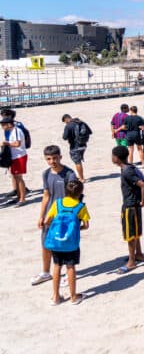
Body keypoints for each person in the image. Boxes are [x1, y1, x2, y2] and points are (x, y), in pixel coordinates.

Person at [31, 146, 78, 286]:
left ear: (60, 157)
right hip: (49, 216)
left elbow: (74, 197)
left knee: (64, 245)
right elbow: (46, 196)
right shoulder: (46, 174)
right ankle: (46, 272)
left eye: (55, 158)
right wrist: (41, 216)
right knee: (46, 244)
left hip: (65, 217)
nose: (52, 161)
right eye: (49, 159)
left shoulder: (69, 174)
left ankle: (65, 273)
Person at [44, 179, 89, 306]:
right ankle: (73, 296)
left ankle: (55, 296)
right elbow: (86, 225)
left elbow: (47, 221)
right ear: (80, 193)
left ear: (65, 191)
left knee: (57, 266)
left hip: (56, 242)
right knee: (71, 267)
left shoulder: (57, 204)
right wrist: (75, 230)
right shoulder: (81, 207)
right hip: (71, 243)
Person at [112, 146, 144, 275]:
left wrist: (143, 201)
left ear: (116, 157)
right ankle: (139, 254)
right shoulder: (129, 168)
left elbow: (142, 185)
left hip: (130, 206)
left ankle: (132, 261)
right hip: (134, 205)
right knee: (136, 231)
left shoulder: (127, 171)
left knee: (130, 234)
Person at [1, 117, 28, 207]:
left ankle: (22, 199)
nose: (2, 127)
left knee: (19, 178)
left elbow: (17, 144)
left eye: (3, 125)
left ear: (8, 124)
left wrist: (6, 143)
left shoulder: (16, 131)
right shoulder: (12, 131)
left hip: (19, 156)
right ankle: (19, 197)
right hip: (15, 157)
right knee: (15, 177)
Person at [61, 114, 91, 183]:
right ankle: (81, 176)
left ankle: (82, 178)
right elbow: (90, 132)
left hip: (75, 147)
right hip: (83, 145)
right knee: (79, 161)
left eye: (65, 122)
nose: (65, 123)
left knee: (77, 162)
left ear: (66, 119)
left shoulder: (68, 126)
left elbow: (64, 137)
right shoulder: (81, 122)